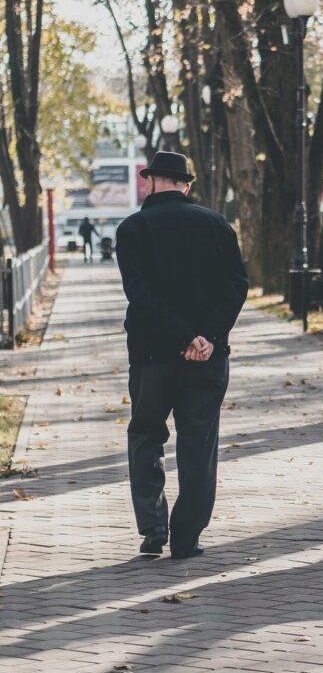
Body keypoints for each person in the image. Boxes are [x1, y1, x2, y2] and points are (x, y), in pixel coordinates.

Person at [115, 151, 248, 559]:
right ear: (186, 185)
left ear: (153, 181)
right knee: (198, 443)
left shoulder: (133, 229)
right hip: (208, 357)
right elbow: (237, 285)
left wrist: (182, 336)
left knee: (146, 435)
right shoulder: (218, 225)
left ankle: (154, 526)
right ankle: (187, 536)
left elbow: (140, 294)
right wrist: (205, 336)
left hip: (153, 355)